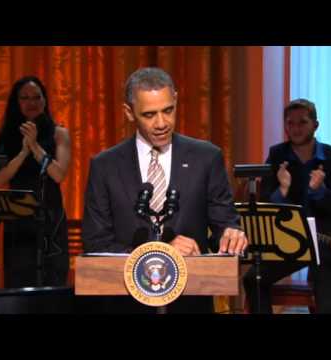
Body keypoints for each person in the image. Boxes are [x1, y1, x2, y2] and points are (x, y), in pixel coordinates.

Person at [81, 67, 247, 313]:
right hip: (126, 304)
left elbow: (224, 224)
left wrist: (231, 235)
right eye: (149, 115)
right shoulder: (105, 165)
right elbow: (96, 243)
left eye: (168, 110)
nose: (161, 123)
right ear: (129, 112)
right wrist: (159, 253)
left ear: (176, 101)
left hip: (190, 301)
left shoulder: (207, 157)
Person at [243, 98, 331, 314]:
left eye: (302, 122)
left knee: (325, 277)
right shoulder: (277, 155)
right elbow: (265, 202)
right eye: (290, 123)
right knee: (253, 278)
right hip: (288, 241)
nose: (295, 129)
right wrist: (282, 190)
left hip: (325, 242)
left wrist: (319, 191)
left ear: (315, 125)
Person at [0, 76, 70, 288]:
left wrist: (35, 147)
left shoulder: (59, 133)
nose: (31, 102)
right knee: (17, 281)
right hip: (18, 218)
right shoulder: (8, 135)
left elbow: (59, 174)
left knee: (52, 281)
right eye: (25, 98)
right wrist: (23, 152)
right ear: (17, 103)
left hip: (50, 218)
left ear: (45, 100)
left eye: (37, 97)